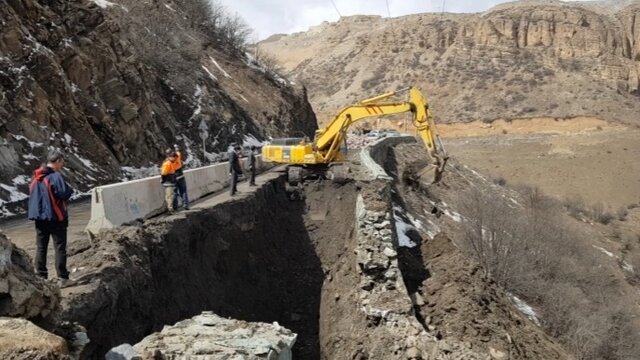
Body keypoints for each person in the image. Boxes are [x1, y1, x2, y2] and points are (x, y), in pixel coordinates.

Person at [27, 149, 74, 285]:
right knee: (60, 247)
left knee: (41, 247)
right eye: (62, 162)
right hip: (56, 217)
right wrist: (70, 190)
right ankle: (63, 278)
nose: (62, 164)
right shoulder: (55, 176)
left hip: (39, 218)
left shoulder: (36, 176)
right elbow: (64, 194)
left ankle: (41, 277)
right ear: (58, 161)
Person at [173, 144, 189, 210]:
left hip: (173, 177)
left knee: (174, 192)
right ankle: (185, 205)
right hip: (180, 176)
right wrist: (176, 147)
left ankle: (175, 207)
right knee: (183, 191)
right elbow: (178, 153)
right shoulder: (178, 157)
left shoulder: (169, 162)